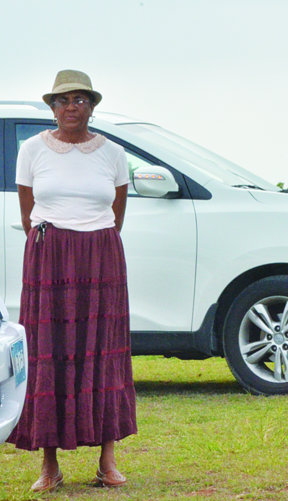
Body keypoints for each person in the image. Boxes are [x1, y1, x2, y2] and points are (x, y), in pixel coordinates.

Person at [7, 70, 137, 492]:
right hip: (49, 255)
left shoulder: (113, 153)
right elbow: (29, 212)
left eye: (80, 100)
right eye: (62, 101)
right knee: (49, 351)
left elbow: (117, 213)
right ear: (51, 108)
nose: (71, 107)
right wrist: (57, 241)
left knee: (103, 350)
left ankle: (107, 461)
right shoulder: (31, 150)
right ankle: (49, 466)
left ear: (92, 107)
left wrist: (88, 238)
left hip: (101, 255)